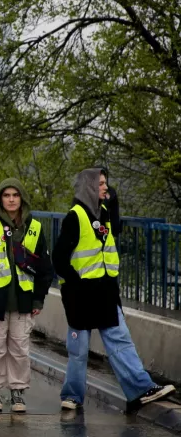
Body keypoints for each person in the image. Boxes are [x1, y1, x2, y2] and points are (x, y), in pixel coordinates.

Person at [53, 168, 175, 410]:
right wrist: (76, 283)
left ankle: (141, 389)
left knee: (120, 341)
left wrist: (114, 201)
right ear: (88, 187)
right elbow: (59, 259)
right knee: (79, 350)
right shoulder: (74, 217)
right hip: (81, 294)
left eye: (106, 183)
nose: (105, 187)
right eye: (100, 184)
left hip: (106, 291)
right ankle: (72, 396)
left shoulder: (104, 212)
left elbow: (114, 231)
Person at [0, 178, 54, 413]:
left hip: (24, 300)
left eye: (15, 195)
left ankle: (17, 391)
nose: (11, 199)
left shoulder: (35, 228)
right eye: (6, 195)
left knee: (20, 349)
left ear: (22, 199)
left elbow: (45, 269)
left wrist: (38, 298)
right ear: (0, 199)